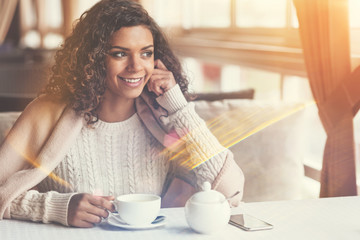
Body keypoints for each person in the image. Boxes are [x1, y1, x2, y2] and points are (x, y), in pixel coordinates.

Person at [0, 0, 244, 228]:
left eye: (146, 53)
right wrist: (55, 207)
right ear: (93, 59)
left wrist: (178, 106)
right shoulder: (47, 112)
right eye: (119, 53)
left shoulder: (163, 116)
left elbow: (230, 192)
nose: (136, 66)